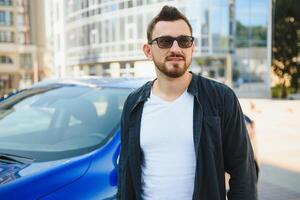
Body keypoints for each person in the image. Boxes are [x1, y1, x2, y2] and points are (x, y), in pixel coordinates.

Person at [117, 5, 257, 200]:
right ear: (148, 51)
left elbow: (244, 173)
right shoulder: (134, 103)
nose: (176, 48)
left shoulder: (221, 98)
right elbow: (126, 173)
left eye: (183, 41)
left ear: (193, 47)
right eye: (165, 42)